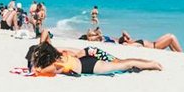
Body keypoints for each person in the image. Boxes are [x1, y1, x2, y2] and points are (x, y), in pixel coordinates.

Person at [26, 35, 163, 76]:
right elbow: (44, 35)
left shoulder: (55, 64)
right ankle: (149, 62)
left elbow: (40, 72)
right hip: (88, 55)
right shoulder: (58, 54)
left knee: (124, 64)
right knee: (122, 62)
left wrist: (34, 67)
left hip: (90, 65)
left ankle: (151, 64)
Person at [114, 29, 182, 51]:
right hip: (155, 47)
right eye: (126, 38)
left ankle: (177, 53)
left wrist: (125, 38)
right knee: (171, 37)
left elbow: (124, 31)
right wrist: (125, 44)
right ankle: (181, 54)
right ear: (125, 42)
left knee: (168, 34)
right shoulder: (134, 44)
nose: (128, 37)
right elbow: (136, 47)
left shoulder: (132, 41)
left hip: (155, 43)